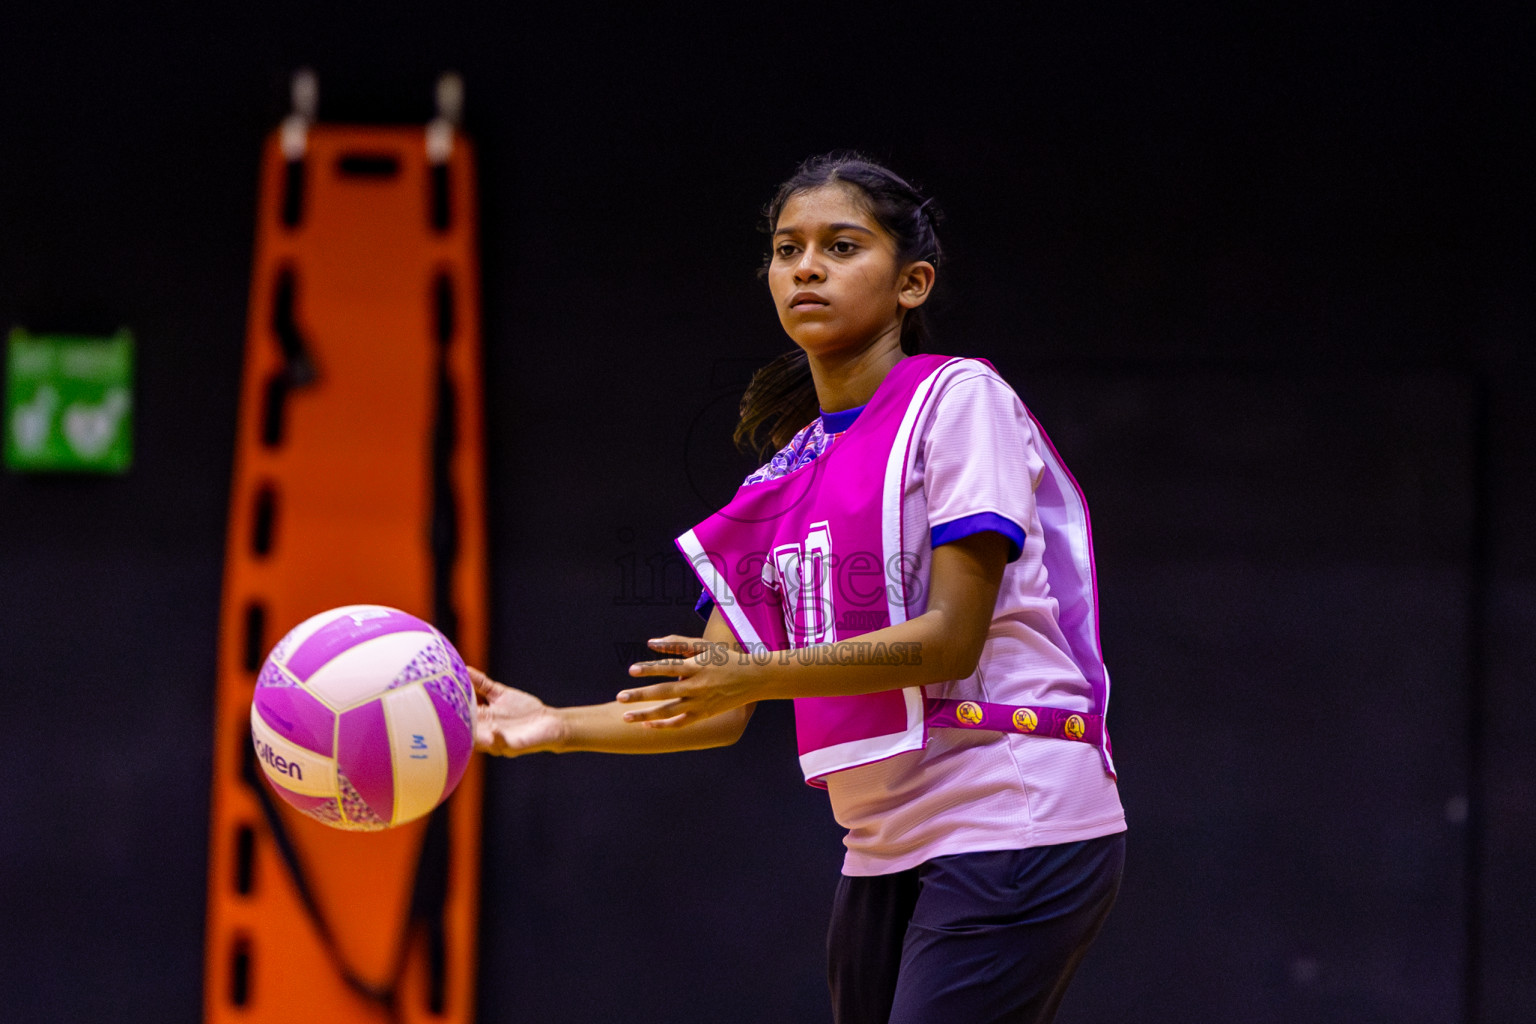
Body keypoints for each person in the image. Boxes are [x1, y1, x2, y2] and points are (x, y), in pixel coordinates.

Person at [471, 152, 1126, 1024]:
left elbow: (952, 639)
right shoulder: (780, 481)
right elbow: (710, 702)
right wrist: (551, 726)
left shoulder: (958, 399)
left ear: (912, 283)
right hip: (882, 843)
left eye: (841, 245)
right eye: (788, 249)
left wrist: (761, 674)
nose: (807, 266)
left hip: (1013, 803)